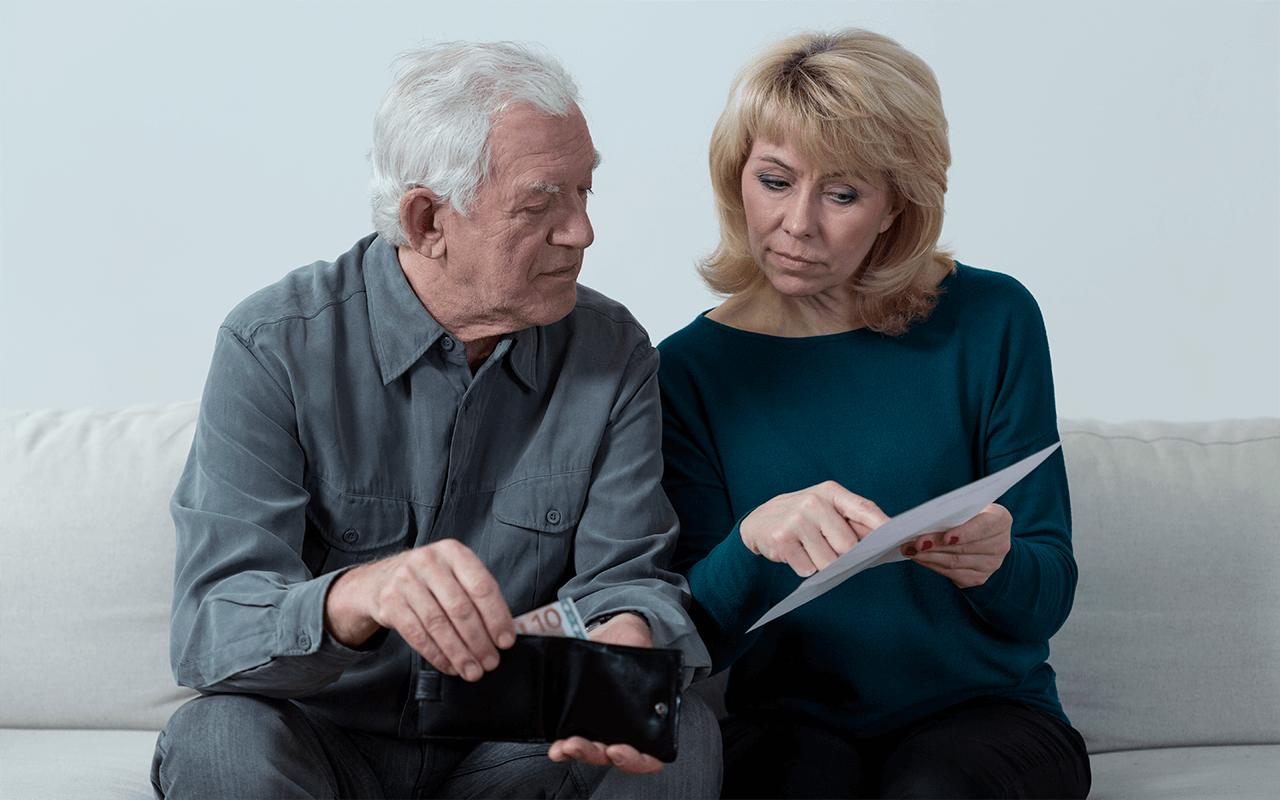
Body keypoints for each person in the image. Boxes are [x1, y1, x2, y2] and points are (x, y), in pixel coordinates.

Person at [151, 40, 719, 800]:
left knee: (677, 729)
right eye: (541, 203)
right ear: (427, 219)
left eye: (585, 194)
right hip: (322, 740)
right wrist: (360, 595)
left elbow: (631, 579)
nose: (582, 232)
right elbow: (212, 629)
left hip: (512, 747)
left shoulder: (613, 352)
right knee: (215, 735)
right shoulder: (273, 345)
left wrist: (626, 647)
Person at [658, 29, 1091, 799]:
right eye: (774, 180)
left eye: (843, 194)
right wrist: (752, 541)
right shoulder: (688, 370)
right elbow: (695, 643)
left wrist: (997, 565)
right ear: (737, 176)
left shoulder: (993, 319)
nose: (796, 224)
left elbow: (1046, 596)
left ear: (896, 206)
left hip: (989, 716)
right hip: (788, 727)